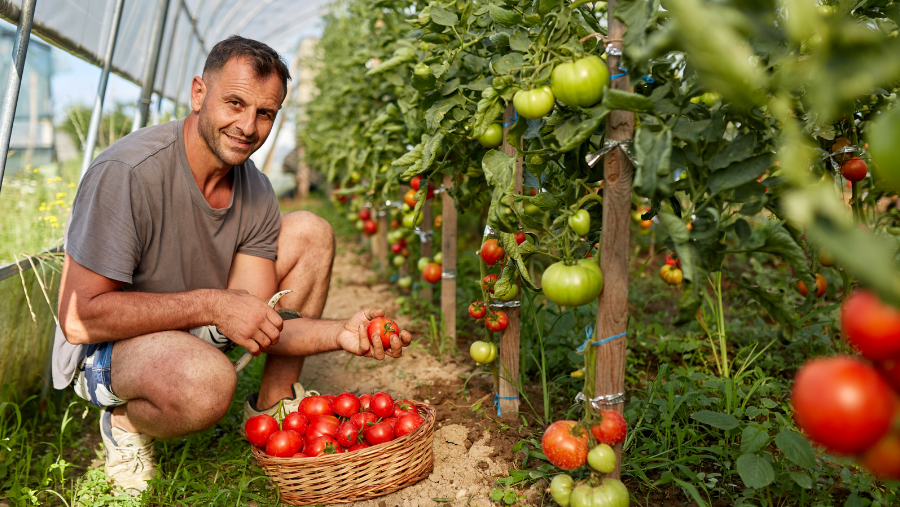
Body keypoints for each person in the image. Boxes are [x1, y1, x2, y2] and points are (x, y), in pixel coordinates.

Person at [51, 36, 412, 495]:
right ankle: (124, 423)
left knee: (310, 230)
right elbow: (80, 320)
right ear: (199, 94)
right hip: (106, 352)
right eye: (235, 103)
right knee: (207, 384)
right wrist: (214, 304)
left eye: (265, 113)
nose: (247, 126)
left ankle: (273, 410)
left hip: (191, 329)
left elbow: (260, 317)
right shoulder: (129, 172)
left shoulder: (255, 189)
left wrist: (339, 333)